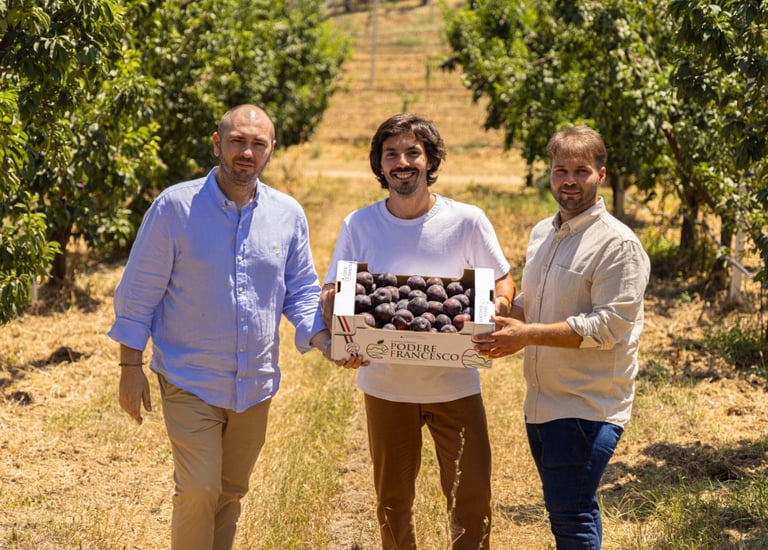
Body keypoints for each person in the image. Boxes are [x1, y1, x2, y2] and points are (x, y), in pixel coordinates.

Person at [108, 104, 332, 550]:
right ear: (217, 144)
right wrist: (129, 366)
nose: (246, 152)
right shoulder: (174, 208)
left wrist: (327, 339)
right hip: (190, 378)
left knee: (230, 492)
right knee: (199, 489)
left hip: (255, 383)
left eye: (258, 144)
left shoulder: (287, 214)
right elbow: (138, 293)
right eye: (237, 141)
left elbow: (302, 290)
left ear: (270, 151)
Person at [321, 113, 516, 549]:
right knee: (392, 502)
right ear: (380, 164)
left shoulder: (466, 220)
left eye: (413, 152)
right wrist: (340, 320)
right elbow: (336, 288)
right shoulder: (359, 224)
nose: (402, 162)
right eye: (392, 154)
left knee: (471, 495)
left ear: (430, 160)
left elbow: (502, 279)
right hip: (386, 387)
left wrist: (496, 308)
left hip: (455, 384)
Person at [474, 125, 650, 549]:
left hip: (587, 404)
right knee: (572, 509)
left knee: (570, 515)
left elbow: (608, 326)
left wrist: (527, 335)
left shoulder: (617, 245)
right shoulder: (542, 234)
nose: (569, 180)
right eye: (560, 170)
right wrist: (497, 315)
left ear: (601, 175)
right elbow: (532, 303)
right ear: (549, 174)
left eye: (581, 171)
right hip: (543, 401)